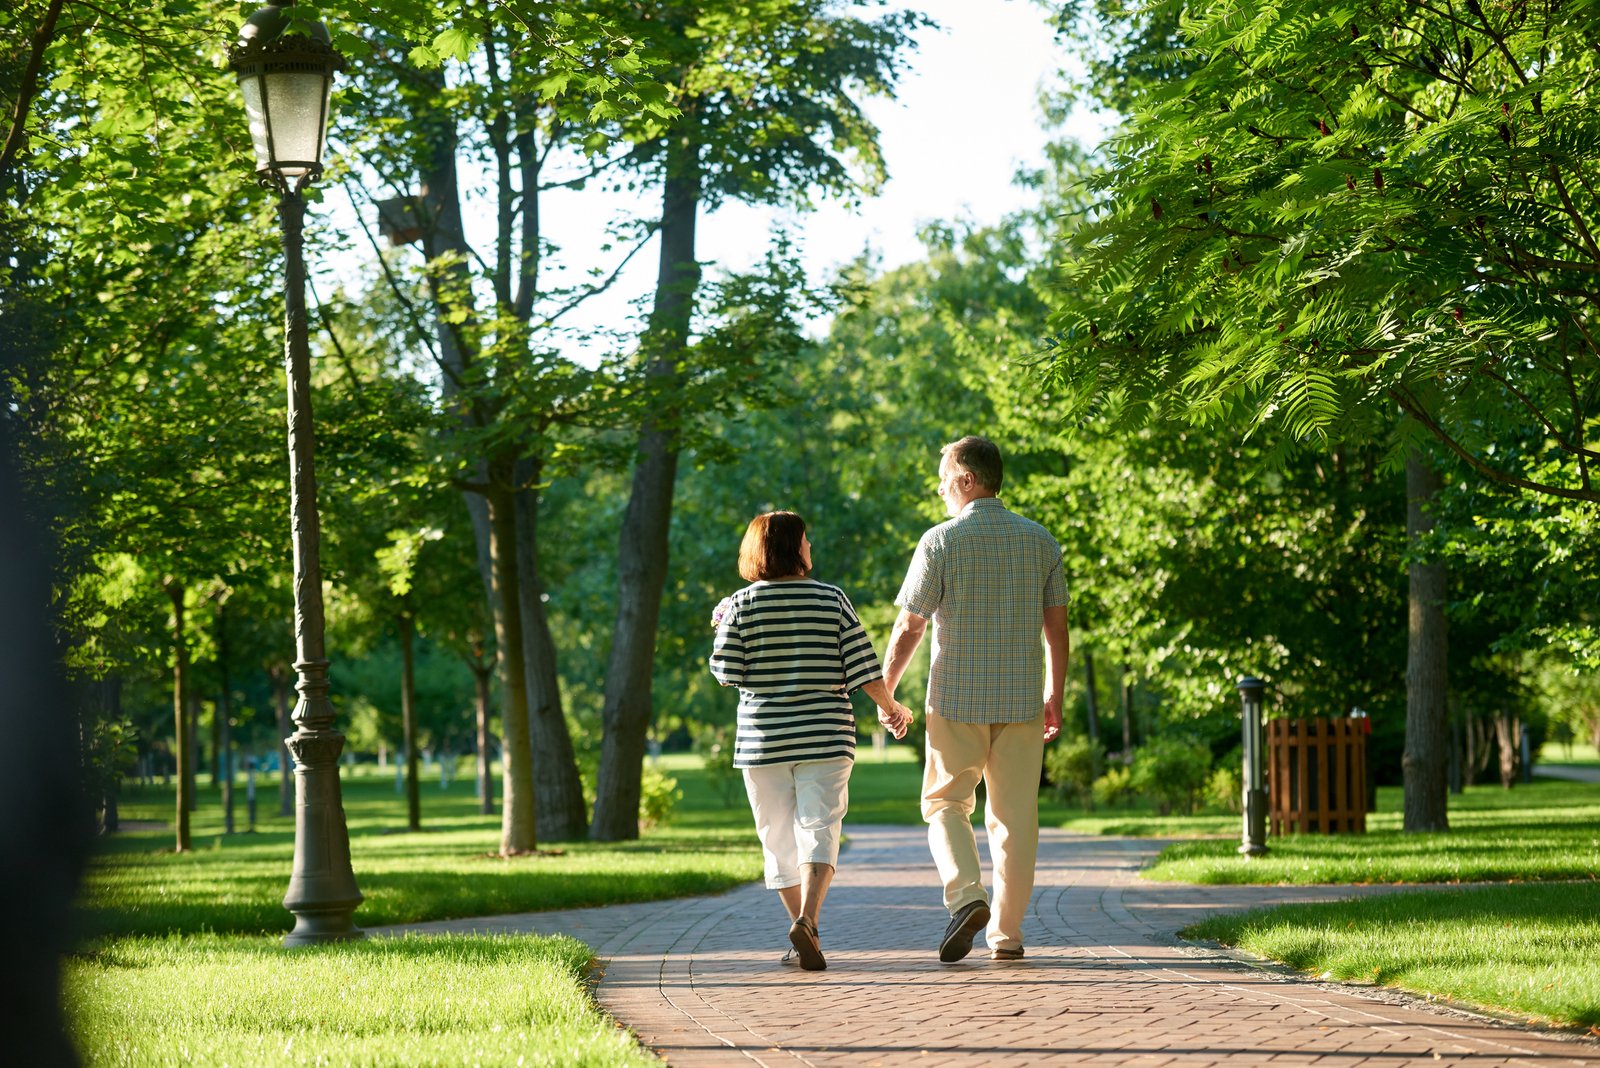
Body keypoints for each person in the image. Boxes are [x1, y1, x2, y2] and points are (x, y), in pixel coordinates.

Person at [882, 436, 1070, 964]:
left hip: (956, 698)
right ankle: (1007, 936)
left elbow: (909, 626)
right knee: (1015, 819)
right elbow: (1057, 632)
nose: (941, 490)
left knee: (944, 803)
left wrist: (887, 690)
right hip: (1020, 702)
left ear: (967, 480)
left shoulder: (939, 542)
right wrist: (1054, 695)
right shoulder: (1040, 541)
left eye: (945, 480)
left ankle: (967, 896)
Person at [710, 510, 911, 971]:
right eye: (806, 541)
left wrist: (721, 626)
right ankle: (809, 920)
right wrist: (890, 708)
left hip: (763, 742)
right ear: (792, 548)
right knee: (819, 827)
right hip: (825, 734)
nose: (811, 548)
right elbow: (863, 667)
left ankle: (804, 929)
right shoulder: (831, 599)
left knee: (777, 839)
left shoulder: (740, 604)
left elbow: (727, 673)